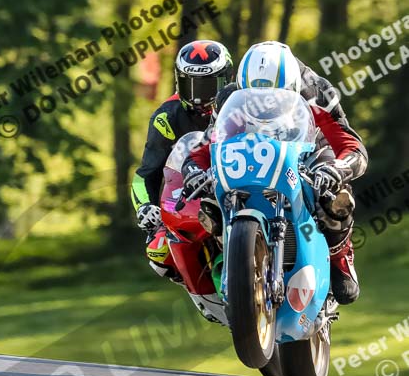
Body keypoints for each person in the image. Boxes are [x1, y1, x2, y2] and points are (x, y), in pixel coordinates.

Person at [181, 40, 368, 304]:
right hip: (251, 156)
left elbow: (350, 143)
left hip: (308, 150)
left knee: (336, 199)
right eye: (254, 98)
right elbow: (207, 146)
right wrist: (193, 170)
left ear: (291, 86)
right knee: (208, 201)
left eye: (273, 97)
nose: (266, 105)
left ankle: (340, 257)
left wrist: (338, 168)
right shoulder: (229, 97)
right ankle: (231, 257)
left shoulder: (317, 91)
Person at [131, 39, 233, 278]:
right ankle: (198, 281)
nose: (199, 97)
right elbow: (145, 174)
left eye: (209, 86)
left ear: (226, 80)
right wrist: (145, 207)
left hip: (240, 182)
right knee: (157, 251)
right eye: (192, 86)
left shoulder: (243, 103)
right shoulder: (166, 117)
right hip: (190, 194)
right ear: (179, 81)